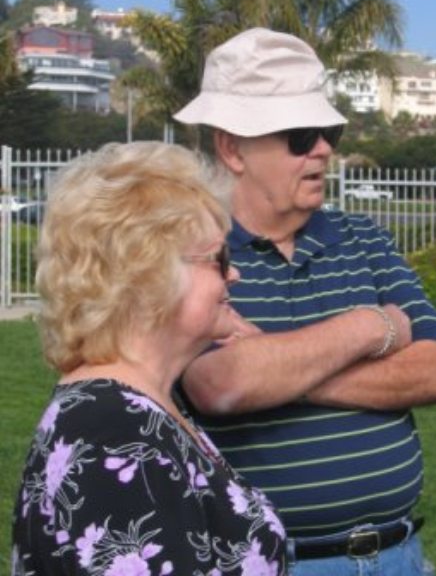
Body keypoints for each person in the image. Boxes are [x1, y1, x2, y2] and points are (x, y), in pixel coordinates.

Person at [174, 28, 436, 576]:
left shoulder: (365, 240)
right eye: (300, 135)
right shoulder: (195, 255)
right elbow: (219, 383)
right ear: (232, 148)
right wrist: (369, 327)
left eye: (327, 132)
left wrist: (279, 369)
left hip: (398, 557)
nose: (324, 149)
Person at [11, 141, 287, 576]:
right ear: (150, 273)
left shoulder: (133, 409)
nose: (234, 274)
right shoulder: (112, 434)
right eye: (219, 258)